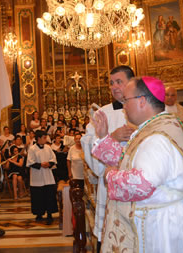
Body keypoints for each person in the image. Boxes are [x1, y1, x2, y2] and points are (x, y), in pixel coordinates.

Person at [91, 76, 183, 252]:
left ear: (142, 101)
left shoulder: (158, 137)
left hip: (160, 226)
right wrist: (104, 139)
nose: (123, 106)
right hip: (157, 217)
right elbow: (129, 160)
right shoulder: (157, 127)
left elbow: (143, 182)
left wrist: (110, 176)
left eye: (126, 100)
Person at [80, 65, 134, 251]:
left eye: (119, 81)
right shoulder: (101, 113)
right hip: (111, 188)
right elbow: (89, 144)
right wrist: (112, 137)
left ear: (132, 82)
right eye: (111, 83)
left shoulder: (145, 108)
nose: (114, 86)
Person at [26, 130, 58, 225]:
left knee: (49, 195)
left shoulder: (48, 147)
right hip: (37, 176)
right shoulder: (32, 149)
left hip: (48, 175)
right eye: (44, 137)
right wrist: (40, 165)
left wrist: (49, 163)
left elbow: (53, 159)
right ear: (39, 138)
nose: (46, 139)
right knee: (38, 197)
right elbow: (30, 162)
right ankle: (39, 215)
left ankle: (49, 214)